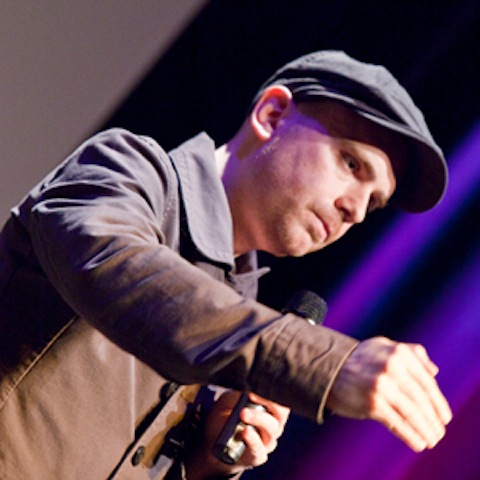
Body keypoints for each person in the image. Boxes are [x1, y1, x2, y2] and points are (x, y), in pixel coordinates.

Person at [0, 50, 452, 479]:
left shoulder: (238, 315)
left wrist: (204, 464)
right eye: (351, 164)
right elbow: (119, 271)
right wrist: (328, 363)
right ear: (271, 115)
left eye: (372, 203)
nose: (355, 210)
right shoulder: (124, 170)